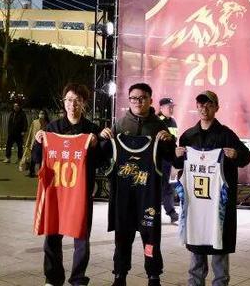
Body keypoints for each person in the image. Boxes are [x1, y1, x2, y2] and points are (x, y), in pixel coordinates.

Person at [173, 90, 250, 286]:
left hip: (218, 206)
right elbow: (179, 166)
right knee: (196, 256)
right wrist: (177, 156)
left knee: (219, 255)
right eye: (201, 104)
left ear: (217, 108)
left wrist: (236, 154)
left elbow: (246, 157)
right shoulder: (188, 136)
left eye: (209, 104)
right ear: (196, 107)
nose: (204, 108)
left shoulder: (226, 135)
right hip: (196, 206)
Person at [99, 83, 175, 286]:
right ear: (129, 100)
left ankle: (153, 275)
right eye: (134, 98)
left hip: (148, 197)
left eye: (142, 98)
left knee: (150, 239)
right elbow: (102, 156)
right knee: (122, 238)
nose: (138, 102)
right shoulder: (119, 125)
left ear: (150, 100)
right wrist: (102, 140)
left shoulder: (159, 127)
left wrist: (169, 142)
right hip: (123, 197)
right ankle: (120, 275)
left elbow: (173, 158)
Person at [33, 84, 101, 286]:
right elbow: (37, 158)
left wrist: (99, 144)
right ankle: (53, 278)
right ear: (63, 102)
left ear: (84, 103)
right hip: (56, 192)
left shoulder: (92, 130)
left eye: (77, 100)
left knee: (81, 238)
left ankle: (78, 279)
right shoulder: (51, 129)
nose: (73, 104)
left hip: (81, 193)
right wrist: (38, 142)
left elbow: (102, 161)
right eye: (69, 100)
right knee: (52, 236)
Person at [157, 97, 179, 224]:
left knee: (169, 185)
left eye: (172, 107)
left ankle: (171, 212)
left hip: (171, 159)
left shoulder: (173, 121)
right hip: (160, 159)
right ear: (161, 108)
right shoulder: (157, 121)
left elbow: (174, 140)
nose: (171, 109)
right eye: (168, 107)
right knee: (158, 187)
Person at [19, 108, 49, 177]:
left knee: (42, 158)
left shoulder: (48, 123)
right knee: (33, 158)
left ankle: (41, 172)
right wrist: (28, 142)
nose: (41, 115)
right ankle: (31, 171)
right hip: (34, 142)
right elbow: (31, 132)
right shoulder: (35, 122)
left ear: (45, 115)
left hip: (44, 143)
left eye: (43, 113)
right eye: (40, 113)